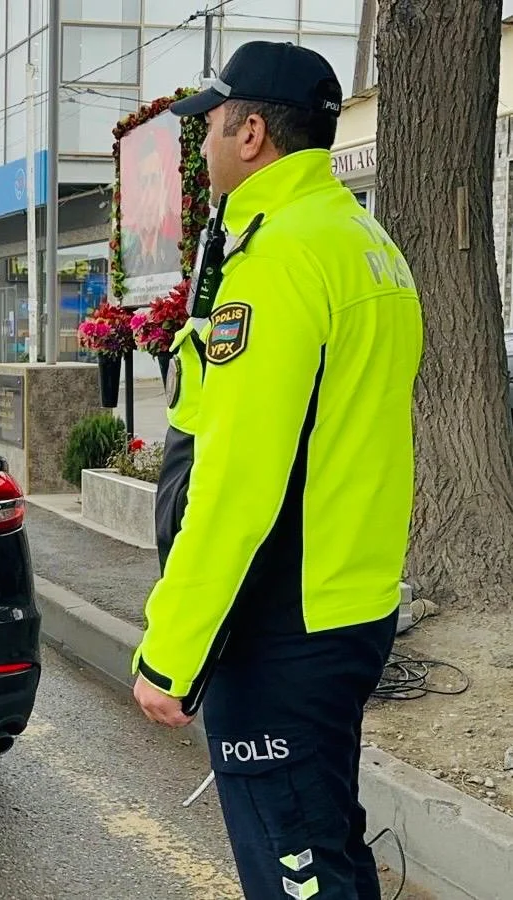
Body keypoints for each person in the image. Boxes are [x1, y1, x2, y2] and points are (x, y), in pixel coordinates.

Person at [130, 43, 423, 900]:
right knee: (325, 838)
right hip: (348, 601)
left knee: (295, 865)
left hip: (279, 623)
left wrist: (174, 651)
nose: (205, 145)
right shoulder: (364, 243)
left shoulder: (281, 258)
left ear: (252, 131)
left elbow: (238, 479)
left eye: (212, 127)